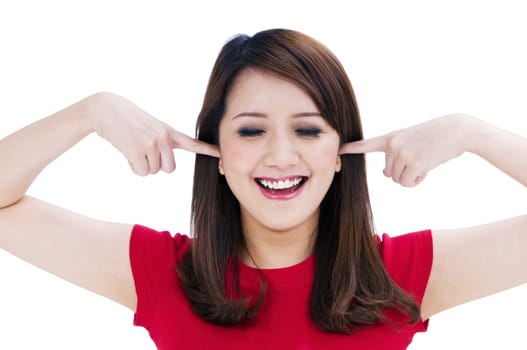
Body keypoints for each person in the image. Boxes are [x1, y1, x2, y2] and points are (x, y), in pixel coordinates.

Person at [0, 28, 525, 349]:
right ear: (217, 155)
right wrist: (92, 110)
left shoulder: (404, 276)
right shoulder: (159, 273)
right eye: (251, 130)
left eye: (308, 129)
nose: (280, 155)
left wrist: (472, 132)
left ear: (342, 154)